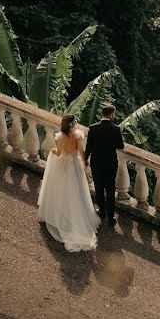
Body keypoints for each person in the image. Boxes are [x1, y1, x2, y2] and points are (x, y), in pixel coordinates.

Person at [38, 114, 99, 252]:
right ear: (73, 124)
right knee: (77, 191)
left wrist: (52, 151)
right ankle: (78, 216)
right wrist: (84, 162)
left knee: (63, 190)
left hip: (64, 165)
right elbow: (80, 151)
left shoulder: (60, 136)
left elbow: (59, 153)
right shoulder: (77, 135)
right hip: (75, 164)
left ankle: (61, 215)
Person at [84, 104, 124, 226]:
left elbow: (88, 147)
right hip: (110, 164)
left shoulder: (93, 127)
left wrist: (85, 160)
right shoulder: (116, 129)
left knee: (99, 188)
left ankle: (102, 211)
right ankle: (111, 217)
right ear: (112, 114)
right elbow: (120, 146)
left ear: (103, 113)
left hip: (96, 163)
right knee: (110, 190)